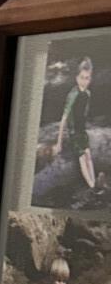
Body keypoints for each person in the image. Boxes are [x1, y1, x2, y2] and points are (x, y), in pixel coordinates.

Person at [55, 55, 97, 193]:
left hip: (82, 129)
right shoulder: (73, 94)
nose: (85, 81)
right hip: (73, 131)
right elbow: (64, 118)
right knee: (82, 158)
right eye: (82, 78)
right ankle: (91, 186)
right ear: (76, 78)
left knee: (88, 155)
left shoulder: (88, 94)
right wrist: (59, 143)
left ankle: (94, 183)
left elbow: (83, 113)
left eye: (87, 78)